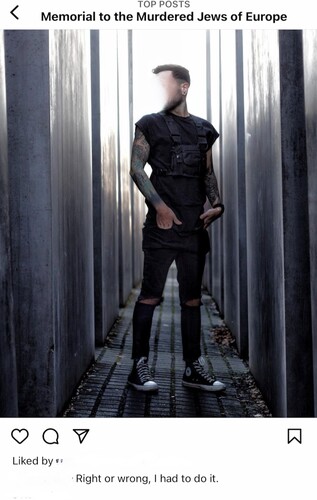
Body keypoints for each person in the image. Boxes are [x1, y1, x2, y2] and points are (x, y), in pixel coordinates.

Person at [128, 64, 225, 393]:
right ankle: (138, 366)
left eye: (165, 86)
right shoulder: (150, 125)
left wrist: (218, 204)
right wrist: (159, 206)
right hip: (160, 228)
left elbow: (207, 174)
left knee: (192, 301)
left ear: (183, 88)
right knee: (150, 297)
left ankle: (192, 368)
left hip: (194, 230)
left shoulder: (204, 130)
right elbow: (136, 168)